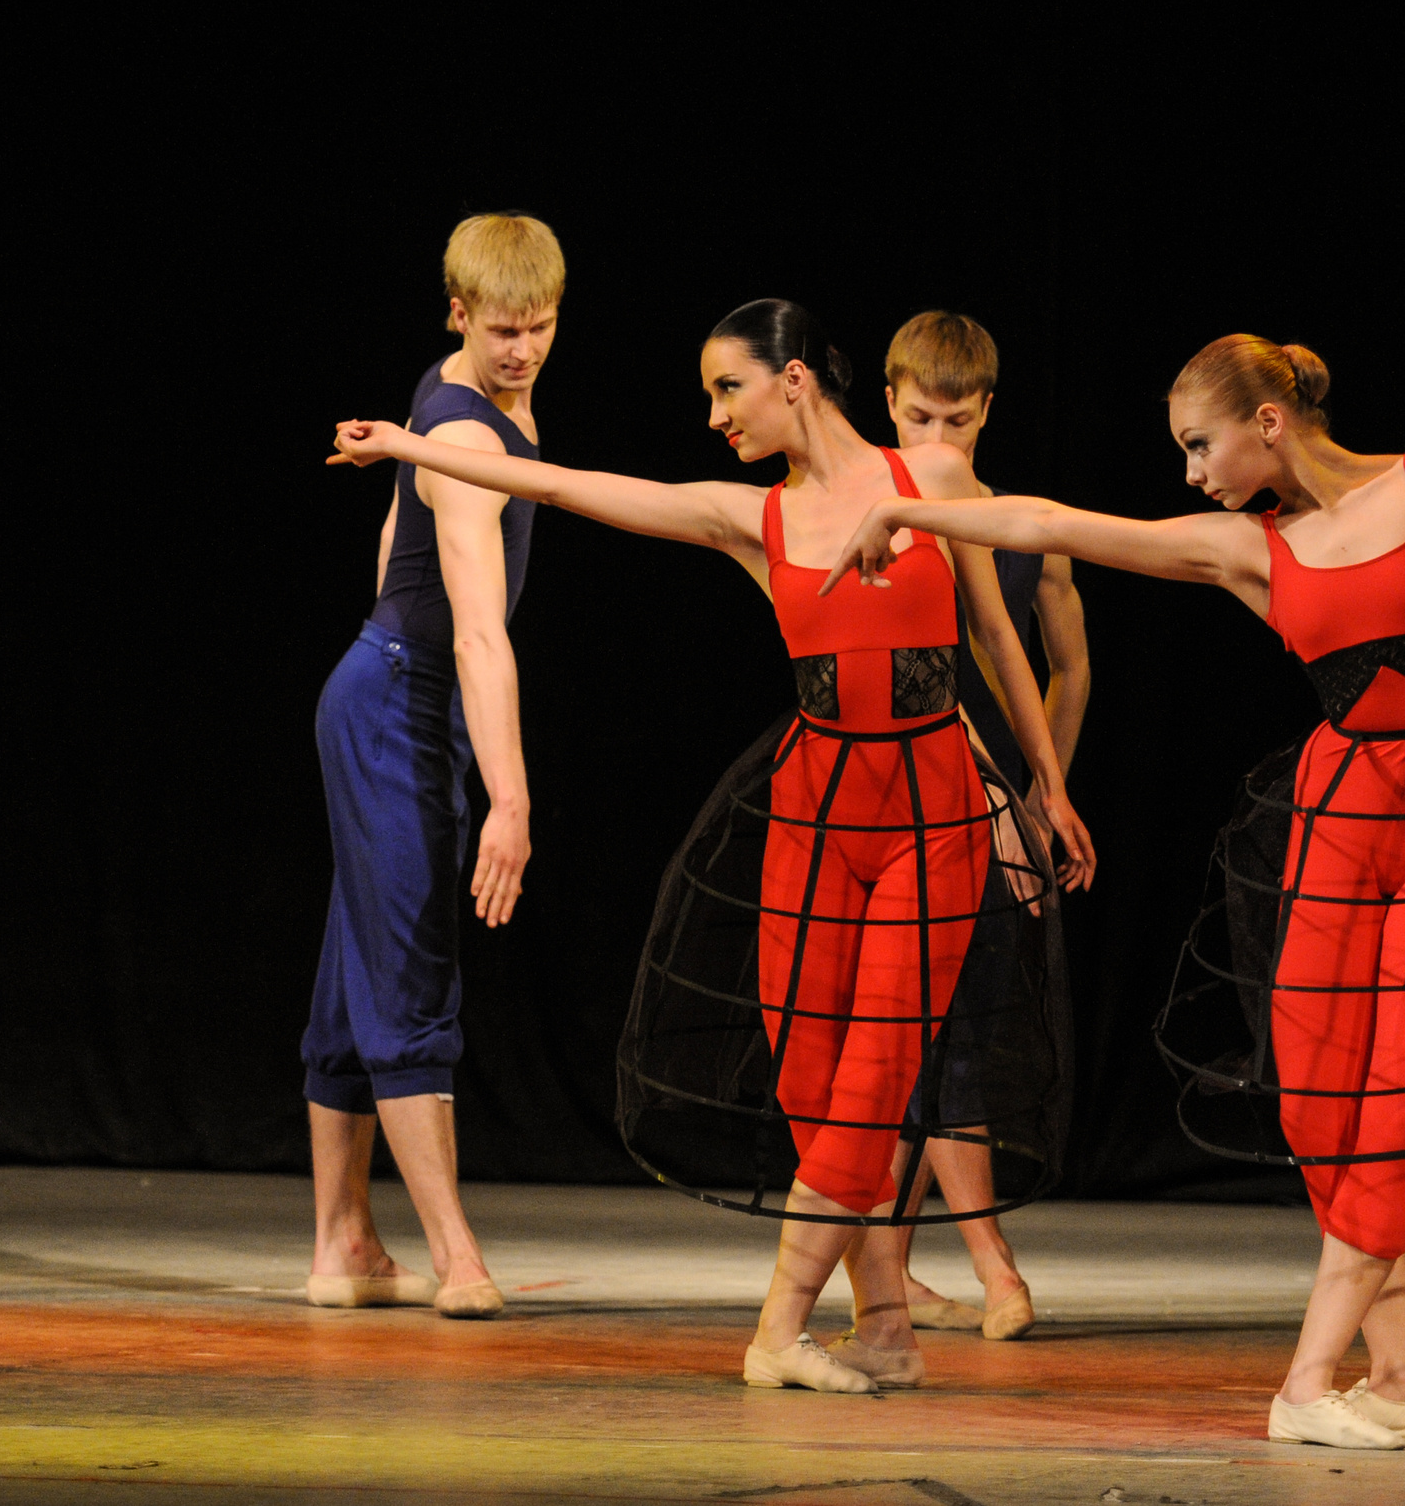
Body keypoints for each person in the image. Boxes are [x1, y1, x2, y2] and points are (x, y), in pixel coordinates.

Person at [822, 332, 1405, 1447]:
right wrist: (913, 513)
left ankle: (1307, 1377)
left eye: (1200, 445)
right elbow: (1059, 524)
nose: (1192, 473)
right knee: (1312, 1102)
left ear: (1266, 421)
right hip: (1339, 825)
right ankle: (1400, 1376)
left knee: (1396, 1106)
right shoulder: (1250, 549)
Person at [330, 298, 1094, 1393]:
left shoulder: (931, 478)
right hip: (816, 813)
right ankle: (881, 1318)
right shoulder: (755, 518)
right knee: (816, 1074)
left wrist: (1044, 785)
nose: (712, 414)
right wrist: (409, 444)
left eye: (726, 388)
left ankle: (778, 1328)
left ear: (795, 380)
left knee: (879, 1071)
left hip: (931, 812)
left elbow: (997, 639)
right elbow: (576, 488)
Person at [302, 213, 562, 1321]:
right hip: (404, 694)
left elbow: (385, 540)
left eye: (540, 327)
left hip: (398, 691)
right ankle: (454, 1251)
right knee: (410, 961)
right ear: (458, 312)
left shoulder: (460, 396)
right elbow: (476, 631)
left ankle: (344, 1244)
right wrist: (507, 790)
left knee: (354, 961)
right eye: (502, 329)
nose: (522, 349)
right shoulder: (470, 438)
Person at [875, 310, 1091, 1343]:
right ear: (887, 404)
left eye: (956, 422)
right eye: (919, 418)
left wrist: (1042, 789)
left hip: (998, 796)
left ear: (987, 412)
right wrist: (1002, 800)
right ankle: (988, 1265)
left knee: (962, 1023)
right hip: (903, 794)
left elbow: (1069, 664)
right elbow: (927, 672)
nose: (937, 443)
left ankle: (901, 1263)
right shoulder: (881, 513)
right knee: (915, 1030)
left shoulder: (1016, 521)